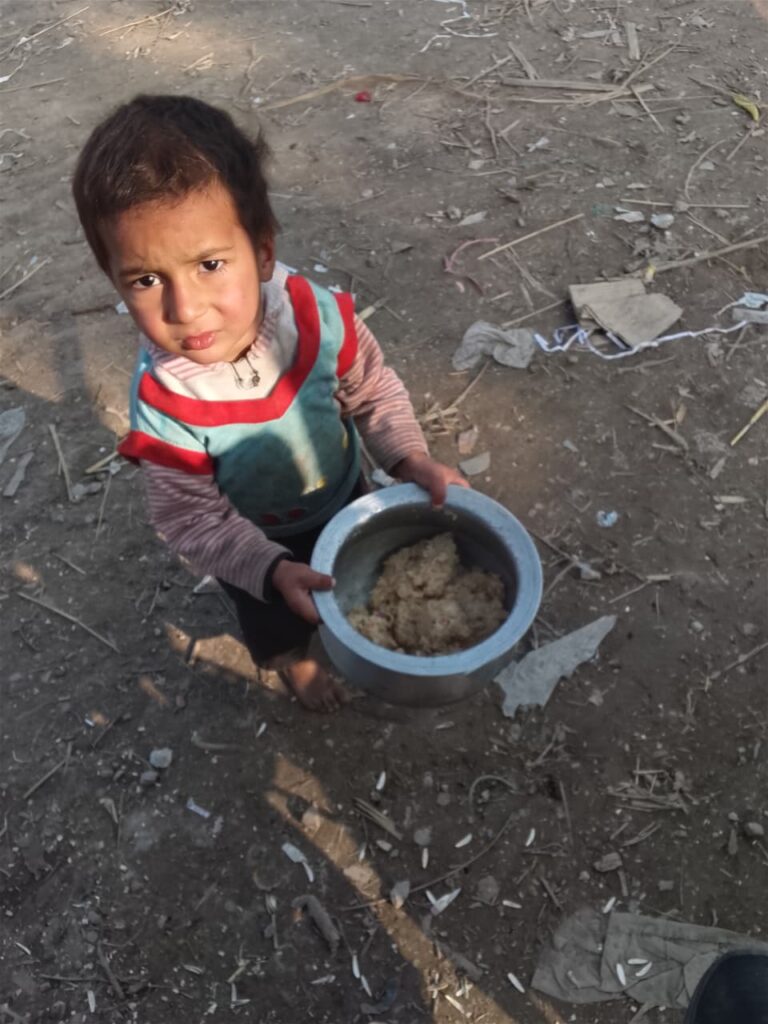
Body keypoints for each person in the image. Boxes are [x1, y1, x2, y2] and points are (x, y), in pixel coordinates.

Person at [72, 94, 467, 712]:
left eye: (209, 264)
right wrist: (270, 569)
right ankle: (296, 663)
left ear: (261, 252)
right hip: (254, 545)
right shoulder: (167, 401)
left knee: (360, 580)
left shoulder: (316, 320)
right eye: (146, 280)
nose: (185, 308)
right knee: (278, 623)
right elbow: (191, 520)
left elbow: (372, 390)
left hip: (346, 499)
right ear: (113, 278)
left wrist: (409, 458)